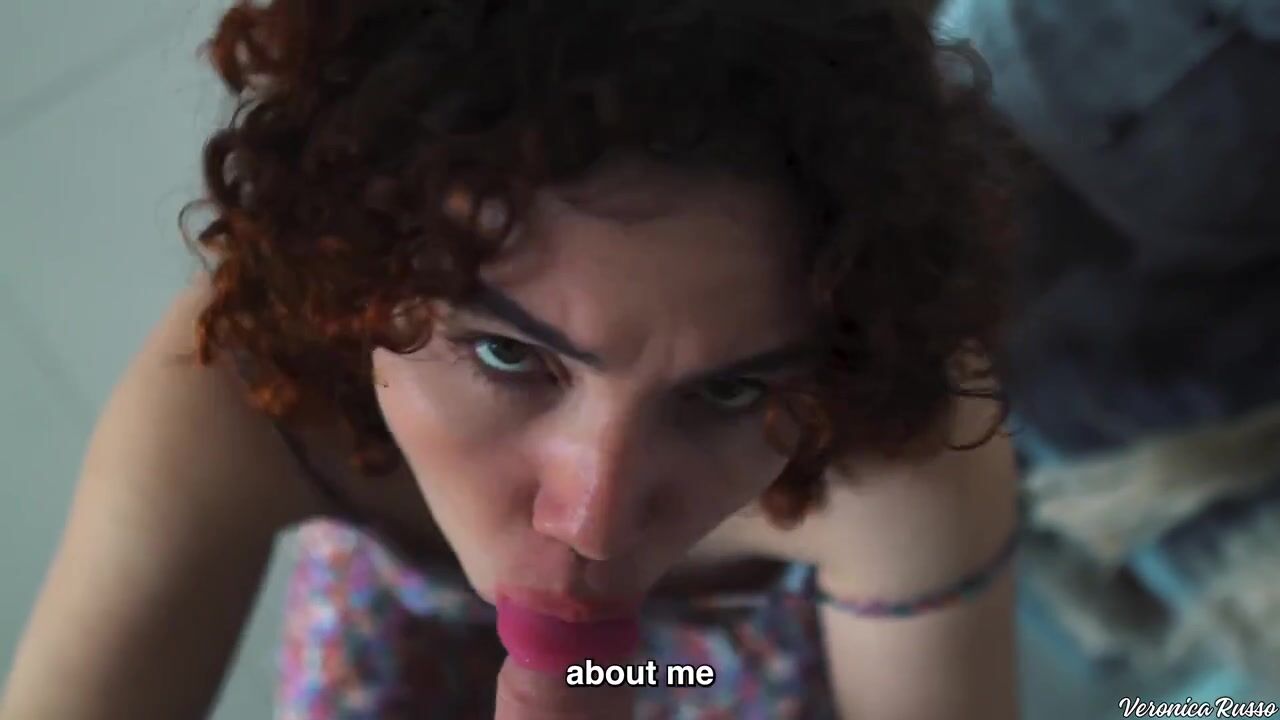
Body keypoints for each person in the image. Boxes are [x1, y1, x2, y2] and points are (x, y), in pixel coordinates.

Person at [0, 1, 1022, 718]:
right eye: (505, 354)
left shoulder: (891, 443)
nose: (594, 522)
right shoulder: (249, 381)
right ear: (355, 273)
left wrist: (607, 681)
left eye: (730, 390)